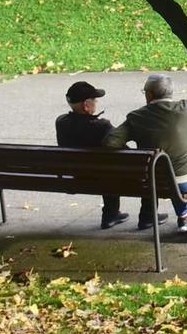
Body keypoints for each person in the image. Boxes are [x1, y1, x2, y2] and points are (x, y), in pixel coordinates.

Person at [101, 74, 187, 241]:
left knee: (169, 174)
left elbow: (110, 142)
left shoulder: (136, 117)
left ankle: (184, 217)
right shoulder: (186, 108)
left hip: (157, 181)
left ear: (149, 95)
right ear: (170, 93)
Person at [54, 80, 147, 229]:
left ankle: (111, 215)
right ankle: (146, 216)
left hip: (76, 176)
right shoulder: (101, 127)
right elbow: (126, 152)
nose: (96, 102)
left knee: (106, 168)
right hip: (102, 176)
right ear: (86, 105)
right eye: (94, 100)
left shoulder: (61, 122)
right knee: (120, 168)